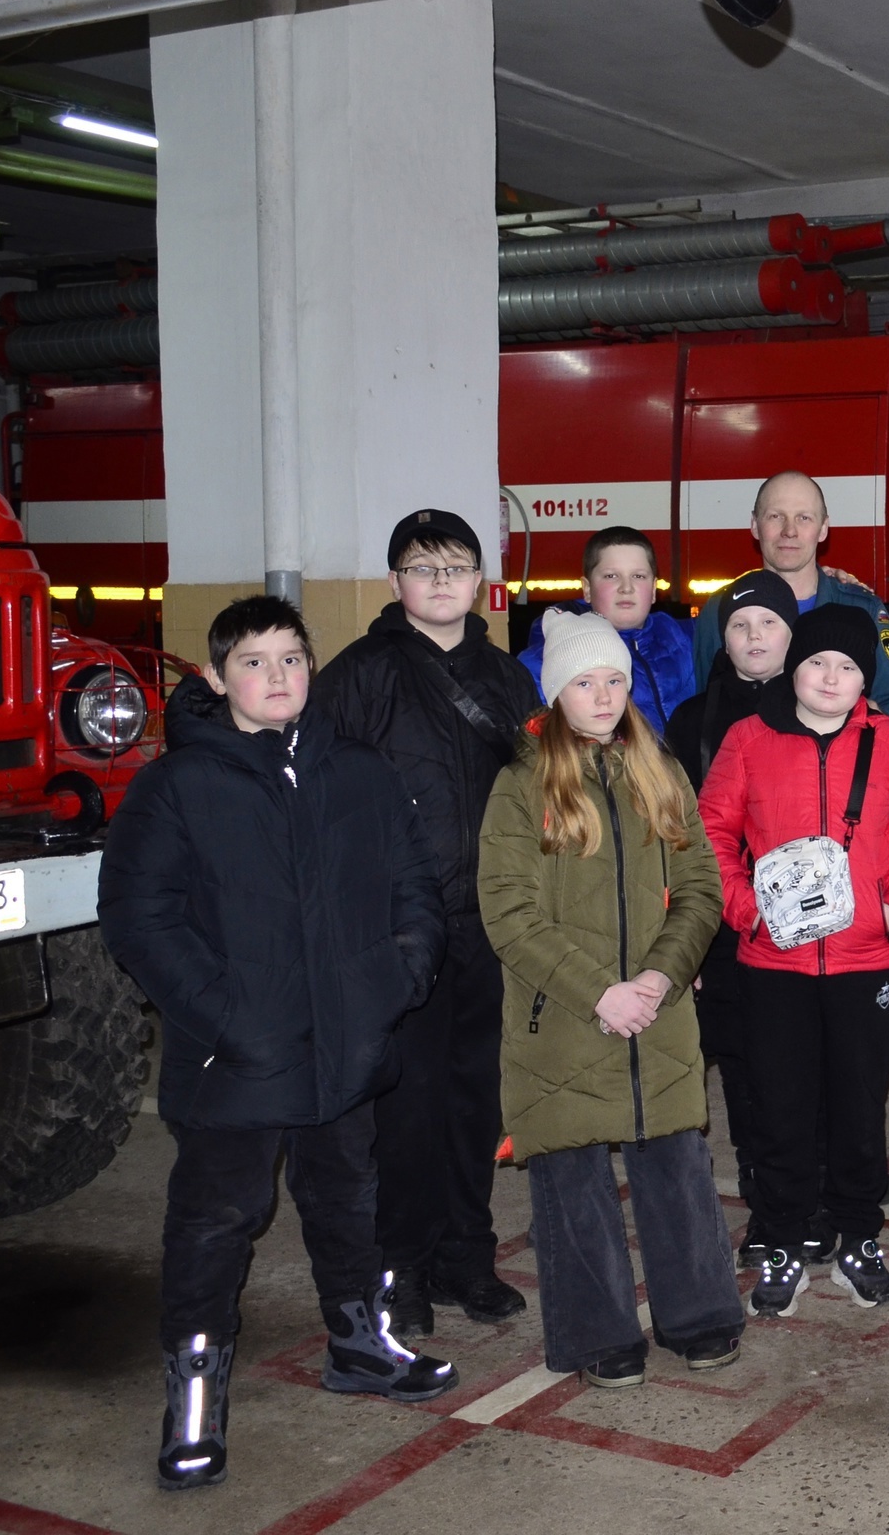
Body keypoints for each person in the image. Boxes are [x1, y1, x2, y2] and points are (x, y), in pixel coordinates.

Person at [100, 597, 453, 1491]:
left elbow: (416, 885)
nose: (277, 677)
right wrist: (229, 1018)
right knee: (217, 1222)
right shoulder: (178, 785)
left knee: (345, 1198)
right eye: (254, 663)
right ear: (218, 680)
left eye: (291, 659)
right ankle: (194, 1391)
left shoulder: (358, 773)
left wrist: (395, 980)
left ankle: (359, 1343)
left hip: (347, 1042)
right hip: (238, 1057)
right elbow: (139, 921)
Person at [479, 610, 741, 1390]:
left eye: (615, 680)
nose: (602, 695)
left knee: (677, 1171)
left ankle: (698, 1316)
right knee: (573, 1185)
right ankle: (599, 1333)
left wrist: (658, 978)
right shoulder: (523, 784)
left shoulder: (660, 771)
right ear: (556, 690)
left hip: (655, 1012)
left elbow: (700, 889)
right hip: (564, 1015)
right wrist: (599, 990)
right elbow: (508, 911)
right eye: (585, 682)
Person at [312, 510, 541, 1336]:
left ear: (481, 581)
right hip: (401, 932)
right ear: (395, 583)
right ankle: (399, 1266)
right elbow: (320, 799)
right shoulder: (360, 675)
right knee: (405, 1107)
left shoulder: (508, 679)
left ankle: (465, 1260)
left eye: (455, 566)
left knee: (477, 1100)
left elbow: (548, 792)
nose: (440, 582)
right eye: (421, 567)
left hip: (492, 925)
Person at [698, 605, 889, 1317]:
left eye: (847, 667)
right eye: (817, 663)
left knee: (857, 1111)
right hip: (772, 967)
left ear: (864, 679)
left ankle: (857, 1239)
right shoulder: (749, 740)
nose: (831, 677)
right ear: (795, 668)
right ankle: (782, 1241)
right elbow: (709, 834)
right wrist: (748, 911)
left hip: (863, 963)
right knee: (778, 1109)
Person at [664, 568, 797, 1258]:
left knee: (774, 1073)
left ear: (789, 634)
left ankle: (780, 1199)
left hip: (790, 926)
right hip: (712, 922)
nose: (753, 637)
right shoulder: (693, 719)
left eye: (768, 624)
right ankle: (720, 1199)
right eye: (740, 625)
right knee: (707, 1071)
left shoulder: (813, 708)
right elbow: (673, 828)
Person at [689, 471, 889, 735]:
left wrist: (859, 719)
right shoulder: (720, 610)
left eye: (804, 518)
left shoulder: (862, 610)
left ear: (823, 528)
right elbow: (704, 710)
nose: (789, 531)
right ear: (755, 525)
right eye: (775, 516)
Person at [517, 526, 699, 733]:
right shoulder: (542, 663)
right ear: (587, 589)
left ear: (654, 589)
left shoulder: (686, 639)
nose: (626, 588)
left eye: (638, 576)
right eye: (611, 576)